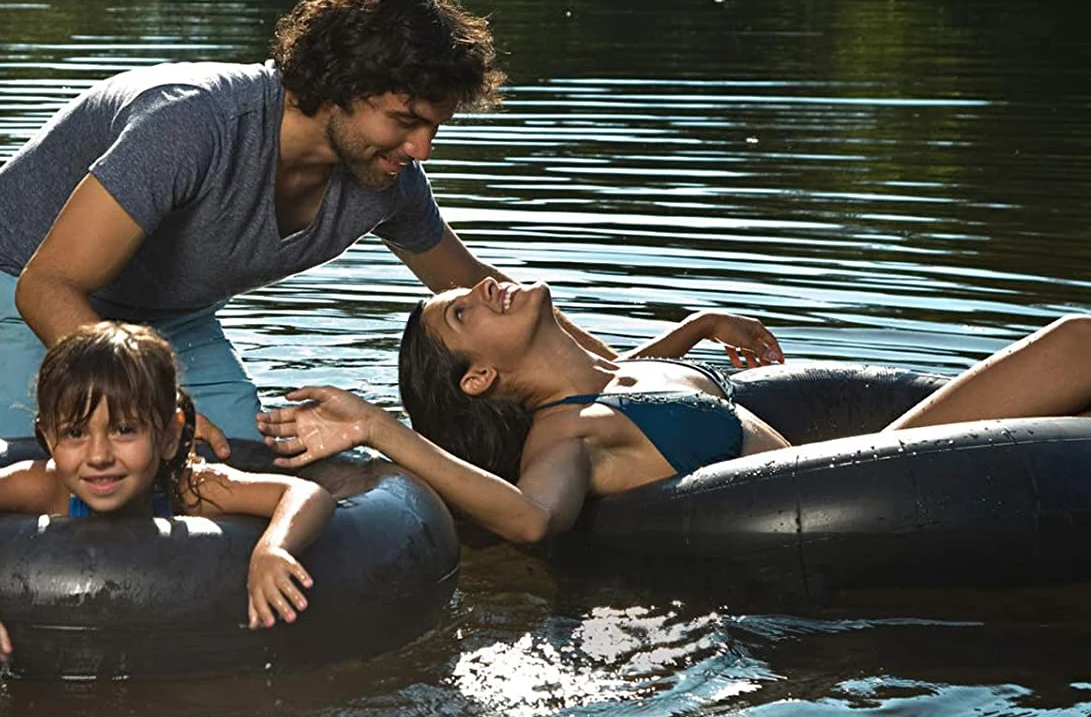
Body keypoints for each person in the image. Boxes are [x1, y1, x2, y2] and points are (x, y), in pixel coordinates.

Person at [0, 0, 610, 454]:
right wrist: (157, 406)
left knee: (243, 465)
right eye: (405, 121)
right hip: (24, 289)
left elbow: (473, 284)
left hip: (170, 314)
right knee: (34, 492)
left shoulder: (387, 179)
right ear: (342, 87)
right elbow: (47, 285)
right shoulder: (192, 123)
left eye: (434, 127)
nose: (421, 150)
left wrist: (622, 378)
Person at [257, 276, 1091, 544]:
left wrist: (696, 327)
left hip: (881, 462)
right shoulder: (568, 430)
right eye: (464, 313)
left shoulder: (608, 376)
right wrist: (380, 430)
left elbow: (638, 376)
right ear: (478, 378)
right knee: (1076, 344)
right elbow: (534, 519)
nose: (483, 286)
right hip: (881, 488)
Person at [0, 322, 336, 665]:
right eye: (75, 433)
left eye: (124, 430)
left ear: (169, 436)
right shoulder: (47, 486)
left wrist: (272, 548)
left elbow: (304, 493)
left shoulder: (188, 487)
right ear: (48, 438)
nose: (99, 456)